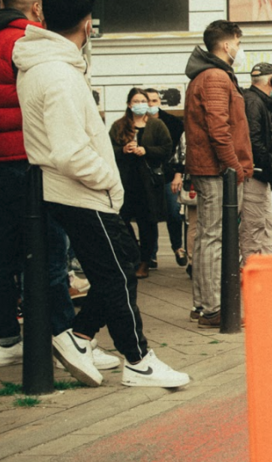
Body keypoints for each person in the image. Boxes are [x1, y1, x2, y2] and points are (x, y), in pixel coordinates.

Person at [14, 0, 189, 388]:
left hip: (73, 192)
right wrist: (108, 180)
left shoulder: (48, 66)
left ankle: (77, 337)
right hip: (80, 192)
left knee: (122, 264)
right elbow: (70, 152)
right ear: (86, 23)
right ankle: (138, 359)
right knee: (115, 274)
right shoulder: (58, 74)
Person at [0, 0, 94, 369]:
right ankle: (63, 340)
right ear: (38, 8)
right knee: (49, 249)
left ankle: (4, 340)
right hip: (29, 159)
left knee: (2, 251)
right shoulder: (29, 41)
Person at [184, 20, 254, 328]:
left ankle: (204, 304)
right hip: (217, 170)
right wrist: (234, 166)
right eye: (237, 44)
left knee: (206, 237)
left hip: (211, 168)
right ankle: (214, 308)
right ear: (226, 45)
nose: (239, 49)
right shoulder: (215, 76)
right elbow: (219, 128)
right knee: (214, 238)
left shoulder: (207, 74)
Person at [109, 88, 173, 279]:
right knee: (121, 220)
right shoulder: (119, 126)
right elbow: (109, 149)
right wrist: (123, 150)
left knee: (147, 223)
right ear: (129, 104)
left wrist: (146, 150)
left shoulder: (157, 125)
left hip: (148, 183)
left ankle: (145, 261)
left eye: (142, 101)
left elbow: (166, 149)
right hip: (126, 182)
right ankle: (133, 253)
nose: (139, 105)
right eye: (135, 101)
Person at [241, 62, 272, 263]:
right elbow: (254, 139)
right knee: (256, 225)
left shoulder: (255, 101)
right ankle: (253, 269)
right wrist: (268, 164)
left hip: (258, 172)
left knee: (266, 224)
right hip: (256, 173)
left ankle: (266, 268)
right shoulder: (254, 102)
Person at [148, 88, 187, 268]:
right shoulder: (136, 124)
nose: (150, 104)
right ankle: (150, 254)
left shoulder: (172, 122)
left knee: (174, 212)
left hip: (169, 174)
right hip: (146, 176)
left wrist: (178, 174)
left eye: (154, 100)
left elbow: (180, 150)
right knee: (149, 216)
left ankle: (178, 247)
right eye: (147, 101)